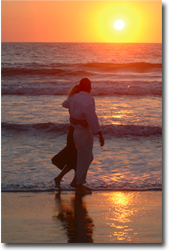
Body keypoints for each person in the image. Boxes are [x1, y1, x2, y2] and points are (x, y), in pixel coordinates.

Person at [62, 78, 104, 195]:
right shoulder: (88, 99)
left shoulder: (75, 97)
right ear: (89, 87)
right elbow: (92, 117)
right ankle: (78, 185)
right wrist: (99, 133)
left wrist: (75, 116)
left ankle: (78, 182)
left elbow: (65, 104)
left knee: (88, 157)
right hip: (84, 133)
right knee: (83, 158)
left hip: (76, 132)